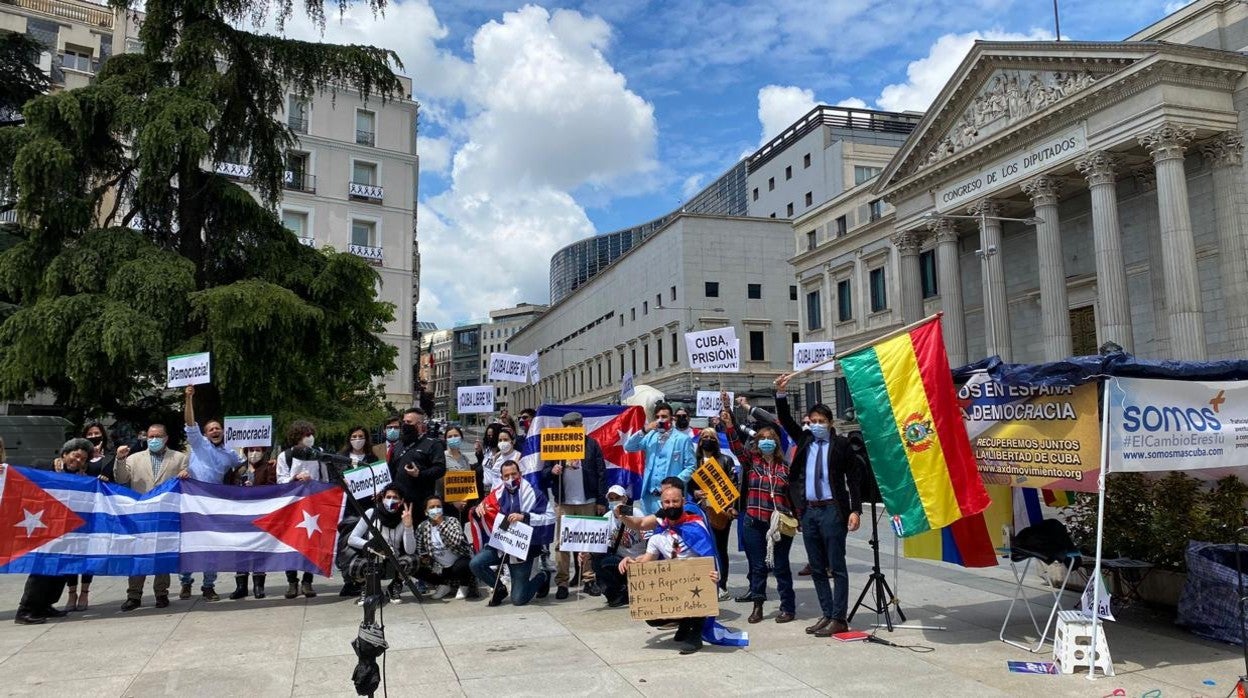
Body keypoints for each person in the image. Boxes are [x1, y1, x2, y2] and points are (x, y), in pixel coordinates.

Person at [774, 373, 863, 637]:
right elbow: (786, 421)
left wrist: (855, 510)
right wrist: (779, 394)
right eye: (813, 422)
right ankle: (826, 613)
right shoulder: (805, 441)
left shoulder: (842, 445)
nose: (816, 425)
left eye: (821, 421)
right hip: (810, 511)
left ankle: (839, 616)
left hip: (833, 510)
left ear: (830, 423)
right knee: (816, 566)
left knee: (836, 566)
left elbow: (853, 479)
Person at [616, 480, 721, 655]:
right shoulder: (658, 536)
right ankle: (684, 622)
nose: (671, 505)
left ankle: (695, 631)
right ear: (662, 505)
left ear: (682, 502)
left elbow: (710, 559)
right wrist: (629, 561)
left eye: (675, 501)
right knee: (651, 615)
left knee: (702, 588)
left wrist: (714, 576)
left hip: (697, 587)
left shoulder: (695, 527)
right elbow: (647, 561)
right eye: (667, 502)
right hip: (676, 587)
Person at [722, 408, 796, 625]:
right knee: (758, 567)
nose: (766, 442)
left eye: (770, 439)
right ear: (757, 443)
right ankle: (757, 605)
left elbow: (791, 495)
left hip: (778, 524)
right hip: (754, 521)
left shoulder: (785, 467)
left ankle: (788, 606)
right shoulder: (751, 461)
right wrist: (729, 425)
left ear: (776, 443)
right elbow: (736, 447)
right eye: (762, 439)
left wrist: (797, 517)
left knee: (781, 566)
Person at [15, 439, 92, 624]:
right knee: (41, 570)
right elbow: (18, 478)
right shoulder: (41, 466)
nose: (78, 460)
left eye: (83, 458)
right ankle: (26, 610)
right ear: (65, 454)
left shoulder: (80, 477)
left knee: (60, 570)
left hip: (65, 530)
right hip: (40, 527)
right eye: (75, 455)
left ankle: (46, 605)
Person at [179, 385, 243, 602]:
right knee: (188, 544)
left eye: (218, 428)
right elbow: (190, 423)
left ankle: (208, 586)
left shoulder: (230, 454)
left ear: (223, 431)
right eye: (211, 429)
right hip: (191, 500)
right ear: (205, 434)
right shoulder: (199, 445)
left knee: (211, 545)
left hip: (213, 503)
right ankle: (185, 583)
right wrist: (188, 398)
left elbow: (247, 465)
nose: (215, 431)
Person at [114, 424, 187, 612]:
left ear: (166, 438)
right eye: (150, 436)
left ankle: (161, 593)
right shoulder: (134, 458)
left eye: (158, 436)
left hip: (166, 515)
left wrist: (185, 476)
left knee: (163, 553)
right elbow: (121, 479)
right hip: (140, 515)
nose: (153, 439)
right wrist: (120, 459)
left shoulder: (179, 458)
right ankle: (134, 595)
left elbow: (186, 483)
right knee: (138, 554)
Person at [469, 460, 554, 607]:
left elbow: (550, 517)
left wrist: (525, 517)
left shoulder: (533, 493)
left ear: (520, 474)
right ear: (501, 478)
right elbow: (485, 507)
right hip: (501, 546)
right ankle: (500, 588)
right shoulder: (497, 494)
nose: (510, 478)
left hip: (522, 549)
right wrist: (478, 509)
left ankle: (543, 577)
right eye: (506, 476)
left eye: (513, 474)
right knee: (476, 564)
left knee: (518, 600)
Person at [542, 411, 607, 600]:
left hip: (587, 501)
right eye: (569, 426)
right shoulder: (556, 445)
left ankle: (588, 579)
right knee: (562, 545)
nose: (573, 428)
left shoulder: (591, 444)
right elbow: (544, 473)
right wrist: (553, 471)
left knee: (588, 542)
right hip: (565, 502)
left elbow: (601, 472)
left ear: (581, 425)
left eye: (576, 425)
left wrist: (601, 500)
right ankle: (562, 582)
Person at [64, 423, 114, 612]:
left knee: (87, 553)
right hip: (70, 514)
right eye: (90, 434)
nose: (94, 437)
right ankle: (71, 593)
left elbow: (109, 479)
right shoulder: (72, 457)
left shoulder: (106, 458)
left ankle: (84, 592)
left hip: (91, 514)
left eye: (97, 434)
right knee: (70, 553)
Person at [276, 420, 328, 599]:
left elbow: (325, 478)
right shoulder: (286, 456)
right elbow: (280, 480)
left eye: (311, 434)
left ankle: (307, 580)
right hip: (293, 506)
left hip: (314, 506)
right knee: (290, 543)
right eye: (306, 435)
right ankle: (292, 581)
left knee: (311, 542)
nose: (310, 438)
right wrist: (295, 478)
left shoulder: (319, 453)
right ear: (297, 437)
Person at [344, 485, 417, 604]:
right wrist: (375, 547)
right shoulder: (371, 513)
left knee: (413, 560)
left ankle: (394, 587)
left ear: (401, 501)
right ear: (382, 498)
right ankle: (366, 588)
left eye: (395, 497)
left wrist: (408, 527)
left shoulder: (405, 517)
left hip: (393, 562)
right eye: (388, 497)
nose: (391, 500)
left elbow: (410, 550)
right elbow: (352, 539)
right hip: (372, 560)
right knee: (355, 565)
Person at [624, 401, 696, 515]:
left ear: (671, 418)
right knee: (647, 531)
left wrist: (675, 482)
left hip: (670, 498)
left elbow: (691, 467)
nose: (660, 420)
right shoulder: (650, 436)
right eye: (657, 417)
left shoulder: (683, 439)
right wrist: (644, 430)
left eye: (664, 417)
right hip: (649, 497)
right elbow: (628, 446)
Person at [689, 426, 735, 602]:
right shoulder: (694, 461)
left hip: (720, 510)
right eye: (705, 436)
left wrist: (730, 507)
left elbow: (733, 483)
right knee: (703, 548)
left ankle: (722, 585)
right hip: (700, 509)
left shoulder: (725, 460)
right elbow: (690, 485)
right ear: (700, 441)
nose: (708, 439)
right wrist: (695, 493)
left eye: (712, 437)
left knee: (720, 548)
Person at [228, 445, 275, 599]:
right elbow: (229, 488)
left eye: (258, 450)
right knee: (240, 549)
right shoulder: (238, 470)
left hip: (260, 514)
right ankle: (241, 586)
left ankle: (258, 585)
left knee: (258, 548)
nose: (254, 453)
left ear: (263, 452)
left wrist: (255, 488)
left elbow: (273, 486)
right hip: (240, 514)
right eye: (251, 450)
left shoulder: (269, 467)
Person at [412, 495, 475, 600]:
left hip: (458, 564)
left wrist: (441, 524)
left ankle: (464, 585)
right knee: (412, 564)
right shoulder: (422, 527)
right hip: (440, 567)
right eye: (431, 507)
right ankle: (443, 585)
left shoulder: (451, 521)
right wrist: (424, 558)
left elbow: (457, 541)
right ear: (426, 512)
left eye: (438, 506)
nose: (435, 509)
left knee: (462, 565)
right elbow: (419, 549)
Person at [593, 485, 645, 608]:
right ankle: (619, 593)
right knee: (597, 562)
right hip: (620, 560)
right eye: (611, 499)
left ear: (625, 499)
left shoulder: (636, 513)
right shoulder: (607, 518)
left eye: (618, 498)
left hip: (639, 558)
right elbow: (601, 545)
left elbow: (649, 538)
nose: (614, 501)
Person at [389, 407, 446, 507]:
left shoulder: (433, 444)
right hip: (399, 502)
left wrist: (420, 474)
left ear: (419, 424)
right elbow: (391, 470)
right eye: (404, 422)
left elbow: (440, 469)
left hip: (420, 501)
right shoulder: (399, 444)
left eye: (409, 422)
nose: (405, 425)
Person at [441, 425, 482, 524]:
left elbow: (468, 482)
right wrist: (453, 501)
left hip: (463, 505)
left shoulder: (465, 459)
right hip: (447, 505)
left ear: (461, 438)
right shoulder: (442, 457)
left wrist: (465, 500)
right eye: (450, 437)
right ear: (445, 439)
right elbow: (440, 484)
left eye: (456, 435)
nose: (453, 438)